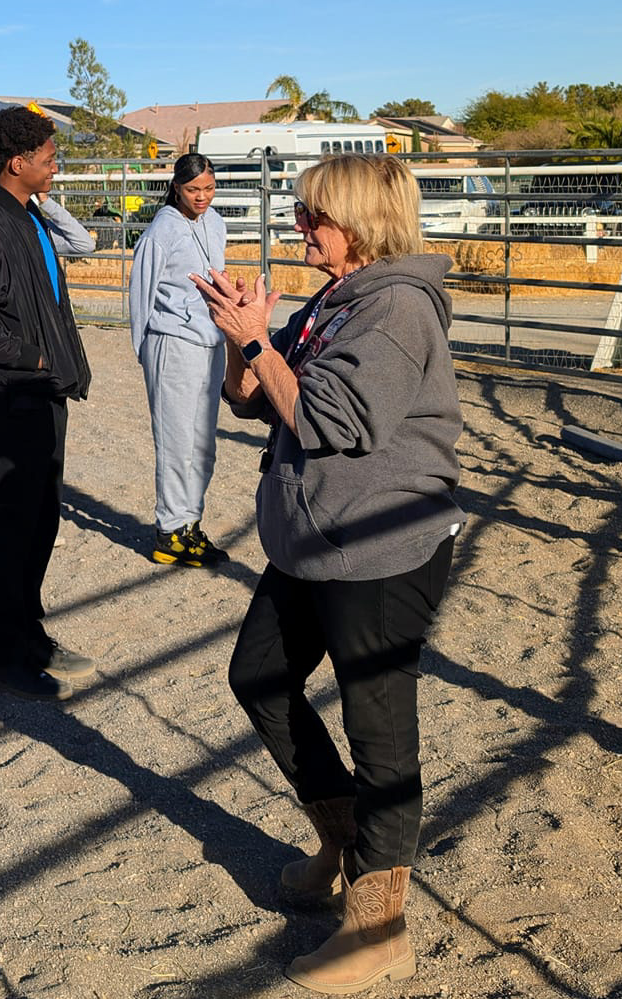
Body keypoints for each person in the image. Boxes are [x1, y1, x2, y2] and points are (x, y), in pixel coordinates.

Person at [192, 153, 464, 993]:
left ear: (362, 223)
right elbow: (256, 398)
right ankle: (345, 837)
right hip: (316, 539)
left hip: (381, 549)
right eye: (304, 213)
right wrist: (243, 342)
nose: (301, 226)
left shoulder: (395, 309)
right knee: (260, 677)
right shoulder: (343, 300)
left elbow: (329, 416)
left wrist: (257, 344)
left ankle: (380, 925)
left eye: (316, 215)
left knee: (379, 728)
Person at [0, 105, 97, 702]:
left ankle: (30, 632)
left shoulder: (29, 218)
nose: (55, 167)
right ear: (18, 162)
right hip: (11, 399)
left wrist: (59, 367)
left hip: (44, 396)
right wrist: (35, 358)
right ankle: (3, 655)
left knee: (39, 522)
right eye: (48, 158)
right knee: (8, 527)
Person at [128, 153, 231, 567]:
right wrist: (146, 351)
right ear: (176, 188)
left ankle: (190, 523)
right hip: (172, 343)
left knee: (203, 443)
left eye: (208, 188)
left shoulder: (217, 223)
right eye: (193, 190)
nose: (202, 196)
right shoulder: (161, 231)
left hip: (211, 342)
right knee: (176, 441)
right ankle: (170, 529)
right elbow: (141, 293)